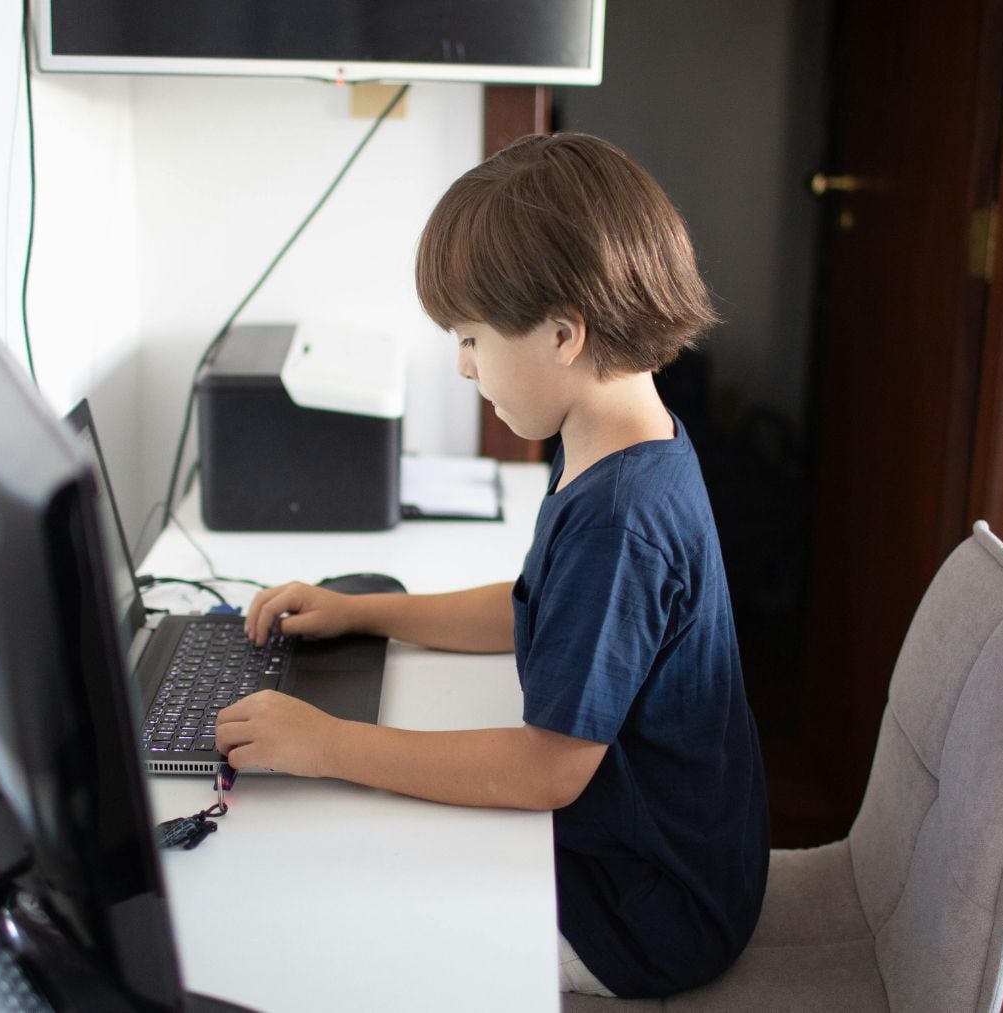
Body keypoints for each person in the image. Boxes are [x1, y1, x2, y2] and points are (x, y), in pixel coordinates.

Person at [215, 132, 769, 999]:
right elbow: (535, 607)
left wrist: (327, 744)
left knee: (349, 913)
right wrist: (365, 612)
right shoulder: (612, 439)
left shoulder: (621, 517)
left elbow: (548, 769)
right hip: (665, 862)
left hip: (653, 913)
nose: (463, 364)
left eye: (471, 336)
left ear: (561, 334)